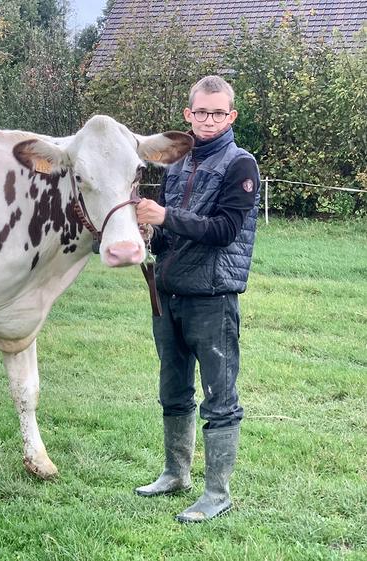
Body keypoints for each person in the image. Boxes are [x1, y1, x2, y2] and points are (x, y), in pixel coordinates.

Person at [134, 75, 260, 523]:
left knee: (219, 397)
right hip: (168, 295)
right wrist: (151, 230)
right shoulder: (176, 165)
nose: (208, 120)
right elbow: (169, 231)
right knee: (173, 389)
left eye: (218, 112)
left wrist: (167, 215)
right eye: (201, 112)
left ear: (231, 116)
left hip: (212, 297)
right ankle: (175, 473)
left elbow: (226, 231)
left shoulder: (240, 165)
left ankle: (217, 492)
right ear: (188, 114)